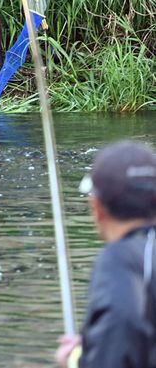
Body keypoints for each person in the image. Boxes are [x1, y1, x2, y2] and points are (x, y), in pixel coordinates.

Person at [55, 140, 156, 368]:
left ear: (97, 207)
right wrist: (95, 341)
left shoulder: (120, 260)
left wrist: (74, 361)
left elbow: (116, 354)